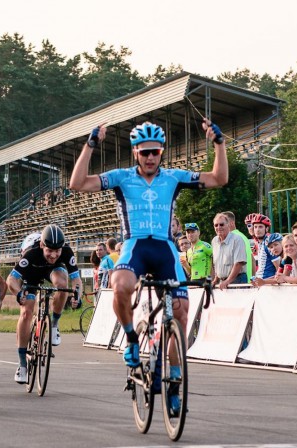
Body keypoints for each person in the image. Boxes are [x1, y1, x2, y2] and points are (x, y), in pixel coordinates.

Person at [70, 119, 227, 416]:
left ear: (162, 151)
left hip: (166, 248)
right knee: (121, 285)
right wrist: (90, 145)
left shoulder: (174, 177)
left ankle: (174, 385)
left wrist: (219, 144)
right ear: (135, 153)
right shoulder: (122, 177)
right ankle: (131, 339)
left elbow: (219, 178)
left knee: (180, 312)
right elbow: (77, 184)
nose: (151, 157)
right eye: (145, 153)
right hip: (135, 246)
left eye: (155, 152)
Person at [6, 224, 81, 384]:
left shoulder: (66, 252)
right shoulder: (31, 253)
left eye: (57, 251)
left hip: (52, 270)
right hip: (31, 274)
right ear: (42, 245)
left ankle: (53, 325)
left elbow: (76, 280)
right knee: (27, 311)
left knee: (62, 285)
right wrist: (19, 293)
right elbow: (11, 280)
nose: (53, 255)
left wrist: (77, 295)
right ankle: (22, 364)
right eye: (49, 250)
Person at [211, 214, 247, 288]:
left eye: (221, 224)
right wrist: (215, 280)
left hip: (237, 281)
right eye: (216, 225)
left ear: (228, 225)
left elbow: (238, 264)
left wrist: (228, 281)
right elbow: (217, 265)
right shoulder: (214, 241)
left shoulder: (237, 239)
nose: (219, 227)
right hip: (222, 282)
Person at [223, 211, 253, 281]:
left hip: (237, 279)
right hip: (247, 279)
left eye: (224, 223)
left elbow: (238, 263)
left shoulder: (232, 238)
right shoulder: (243, 236)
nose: (222, 226)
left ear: (232, 223)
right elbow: (252, 259)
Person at [248, 213, 271, 278]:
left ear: (266, 229)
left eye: (260, 227)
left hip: (269, 283)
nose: (257, 230)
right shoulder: (259, 243)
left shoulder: (269, 243)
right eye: (255, 227)